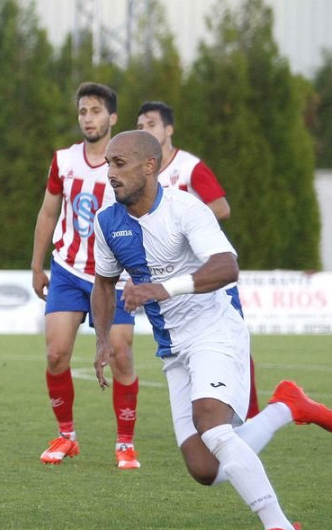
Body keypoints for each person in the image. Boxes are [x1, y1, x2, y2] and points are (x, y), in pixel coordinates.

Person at [91, 130, 332, 530]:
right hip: (173, 349)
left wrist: (163, 289)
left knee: (211, 421)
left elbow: (227, 267)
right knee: (206, 468)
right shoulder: (107, 222)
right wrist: (101, 338)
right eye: (108, 164)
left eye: (120, 163)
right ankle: (286, 407)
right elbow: (104, 282)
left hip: (216, 328)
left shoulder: (185, 209)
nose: (110, 173)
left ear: (149, 166)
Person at [31, 82, 141, 469]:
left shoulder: (127, 163)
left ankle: (125, 443)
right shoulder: (63, 160)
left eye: (95, 111)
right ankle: (67, 437)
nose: (88, 118)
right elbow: (48, 213)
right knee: (56, 353)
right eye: (82, 112)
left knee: (122, 355)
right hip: (66, 270)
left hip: (114, 278)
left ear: (112, 118)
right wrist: (37, 264)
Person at [136, 100, 260, 418]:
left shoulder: (189, 167)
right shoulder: (140, 171)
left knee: (232, 338)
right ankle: (206, 409)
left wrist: (184, 220)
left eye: (151, 124)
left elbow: (221, 207)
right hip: (167, 272)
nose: (144, 130)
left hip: (205, 269)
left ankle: (251, 413)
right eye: (139, 126)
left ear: (169, 129)